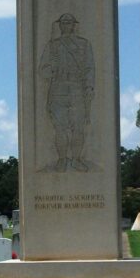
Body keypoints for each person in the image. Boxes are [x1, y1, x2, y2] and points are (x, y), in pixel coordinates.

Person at [39, 13, 94, 172]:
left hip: (77, 89)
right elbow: (43, 69)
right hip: (58, 89)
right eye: (63, 22)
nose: (66, 25)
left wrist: (89, 86)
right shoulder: (52, 45)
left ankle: (76, 159)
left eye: (69, 22)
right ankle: (62, 159)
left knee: (78, 127)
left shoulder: (84, 44)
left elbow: (90, 67)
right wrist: (52, 70)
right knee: (60, 128)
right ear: (60, 25)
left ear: (73, 25)